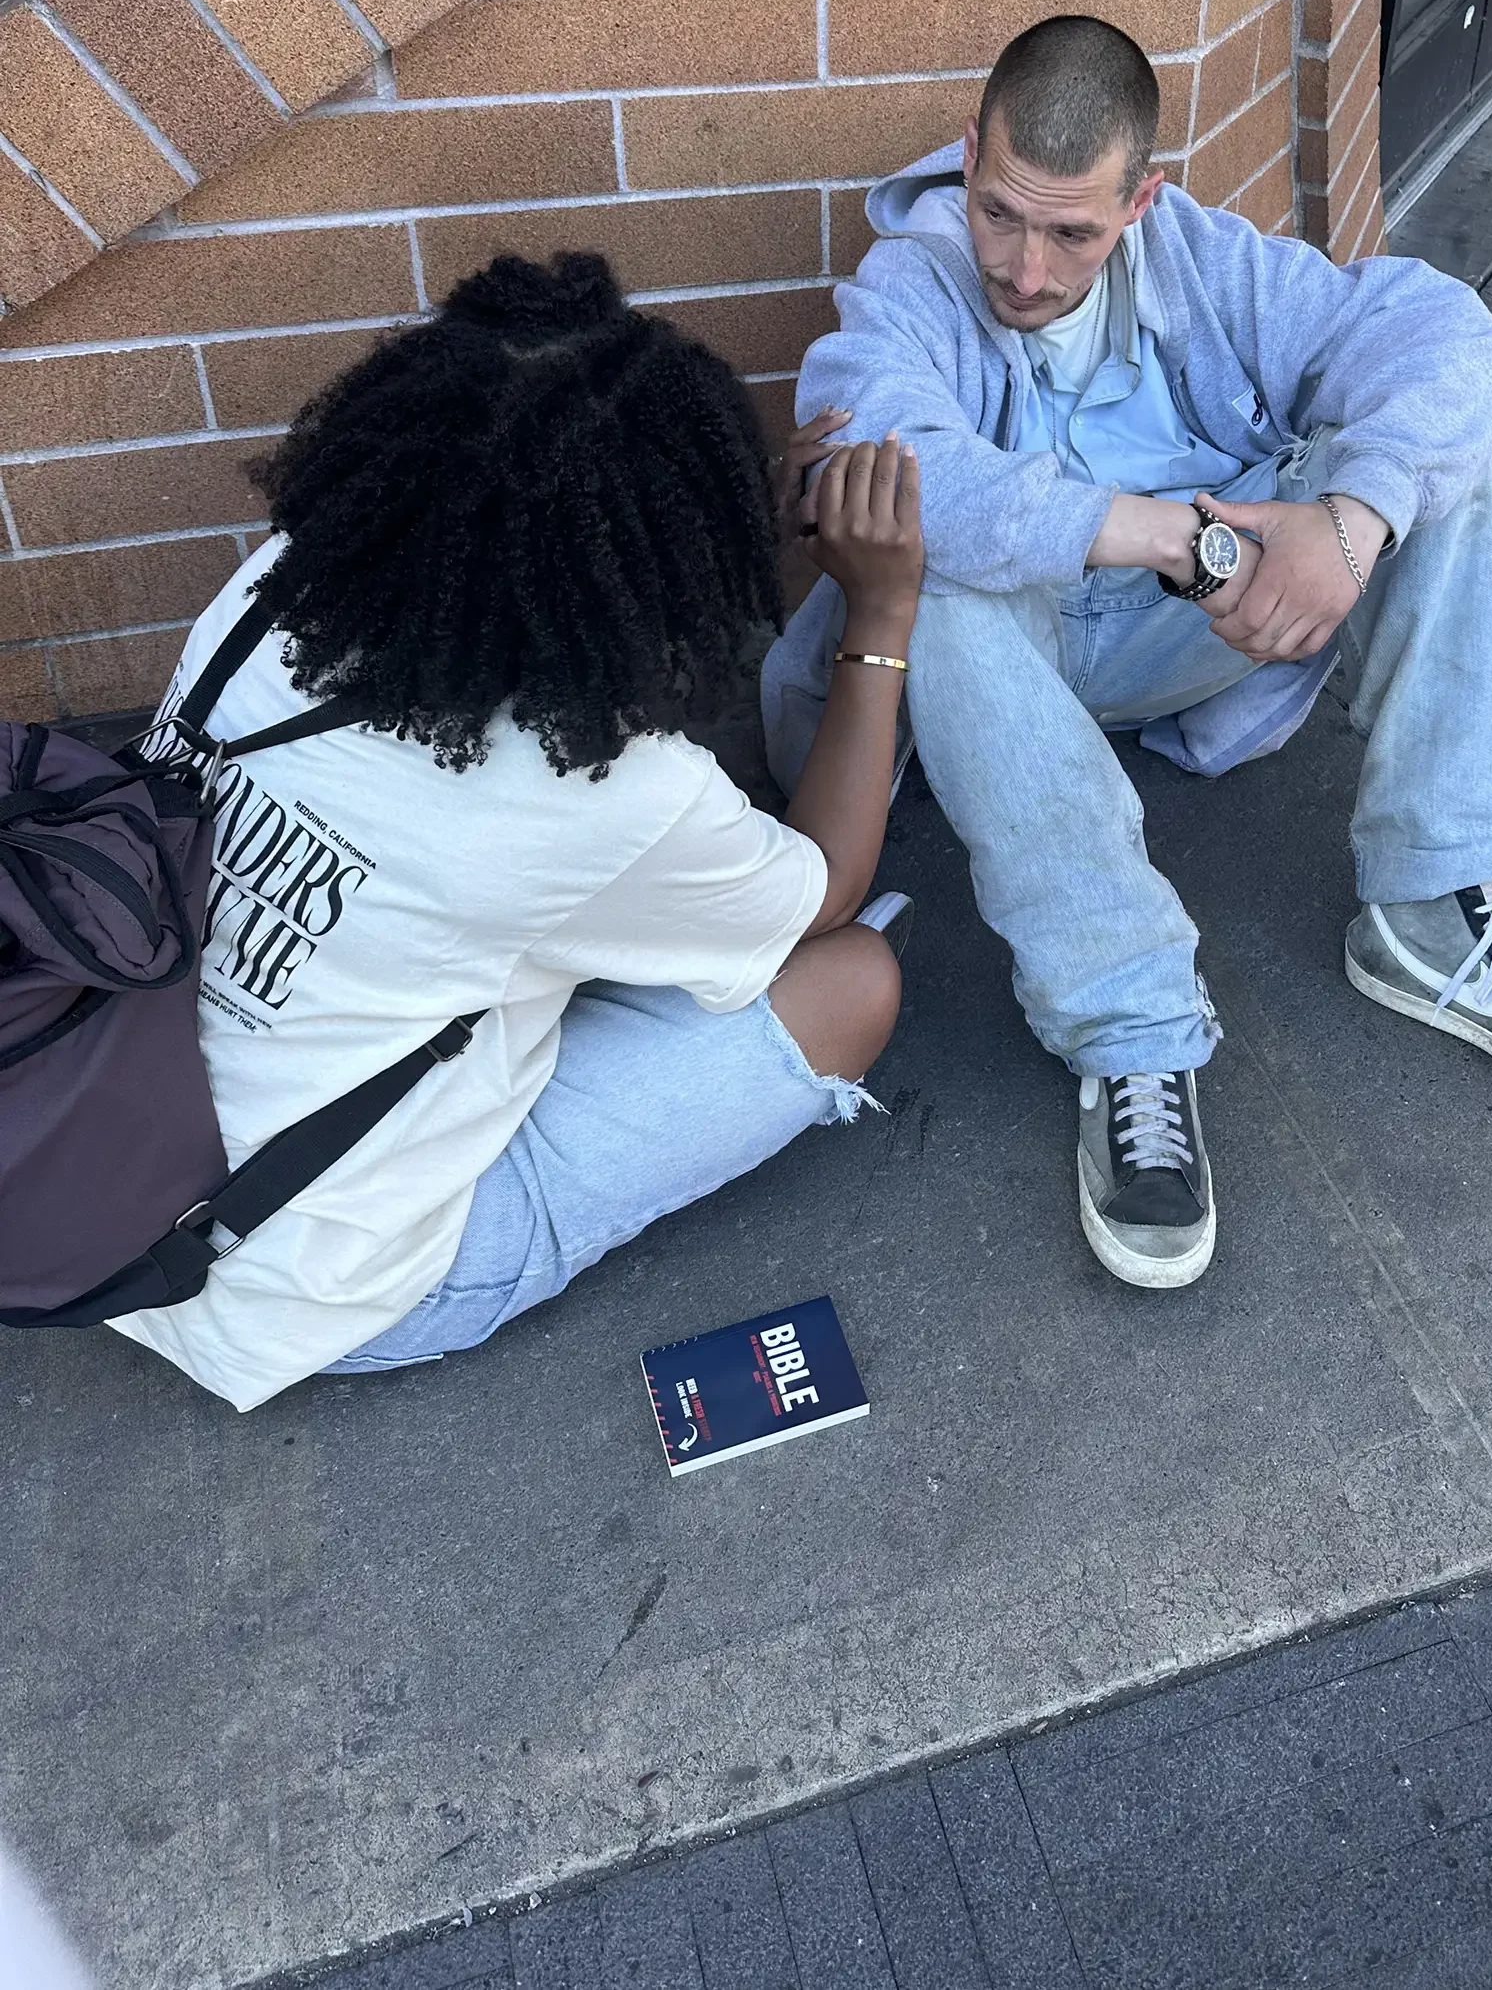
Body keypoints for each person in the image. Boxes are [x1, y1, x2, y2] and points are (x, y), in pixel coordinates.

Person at [763, 16, 1492, 1294]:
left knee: (1438, 466)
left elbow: (1447, 340)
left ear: (1141, 199)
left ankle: (1432, 913)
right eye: (997, 212)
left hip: (1188, 636)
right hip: (1006, 666)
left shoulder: (1204, 262)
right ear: (968, 159)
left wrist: (1350, 526)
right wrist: (1181, 542)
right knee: (936, 565)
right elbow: (893, 469)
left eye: (1072, 232)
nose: (1023, 269)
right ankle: (1130, 1026)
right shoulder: (906, 286)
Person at [110, 251, 923, 1411]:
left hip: (105, 1157)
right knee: (853, 981)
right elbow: (825, 887)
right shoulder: (604, 792)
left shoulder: (280, 584)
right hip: (313, 1290)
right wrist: (881, 610)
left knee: (552, 931)